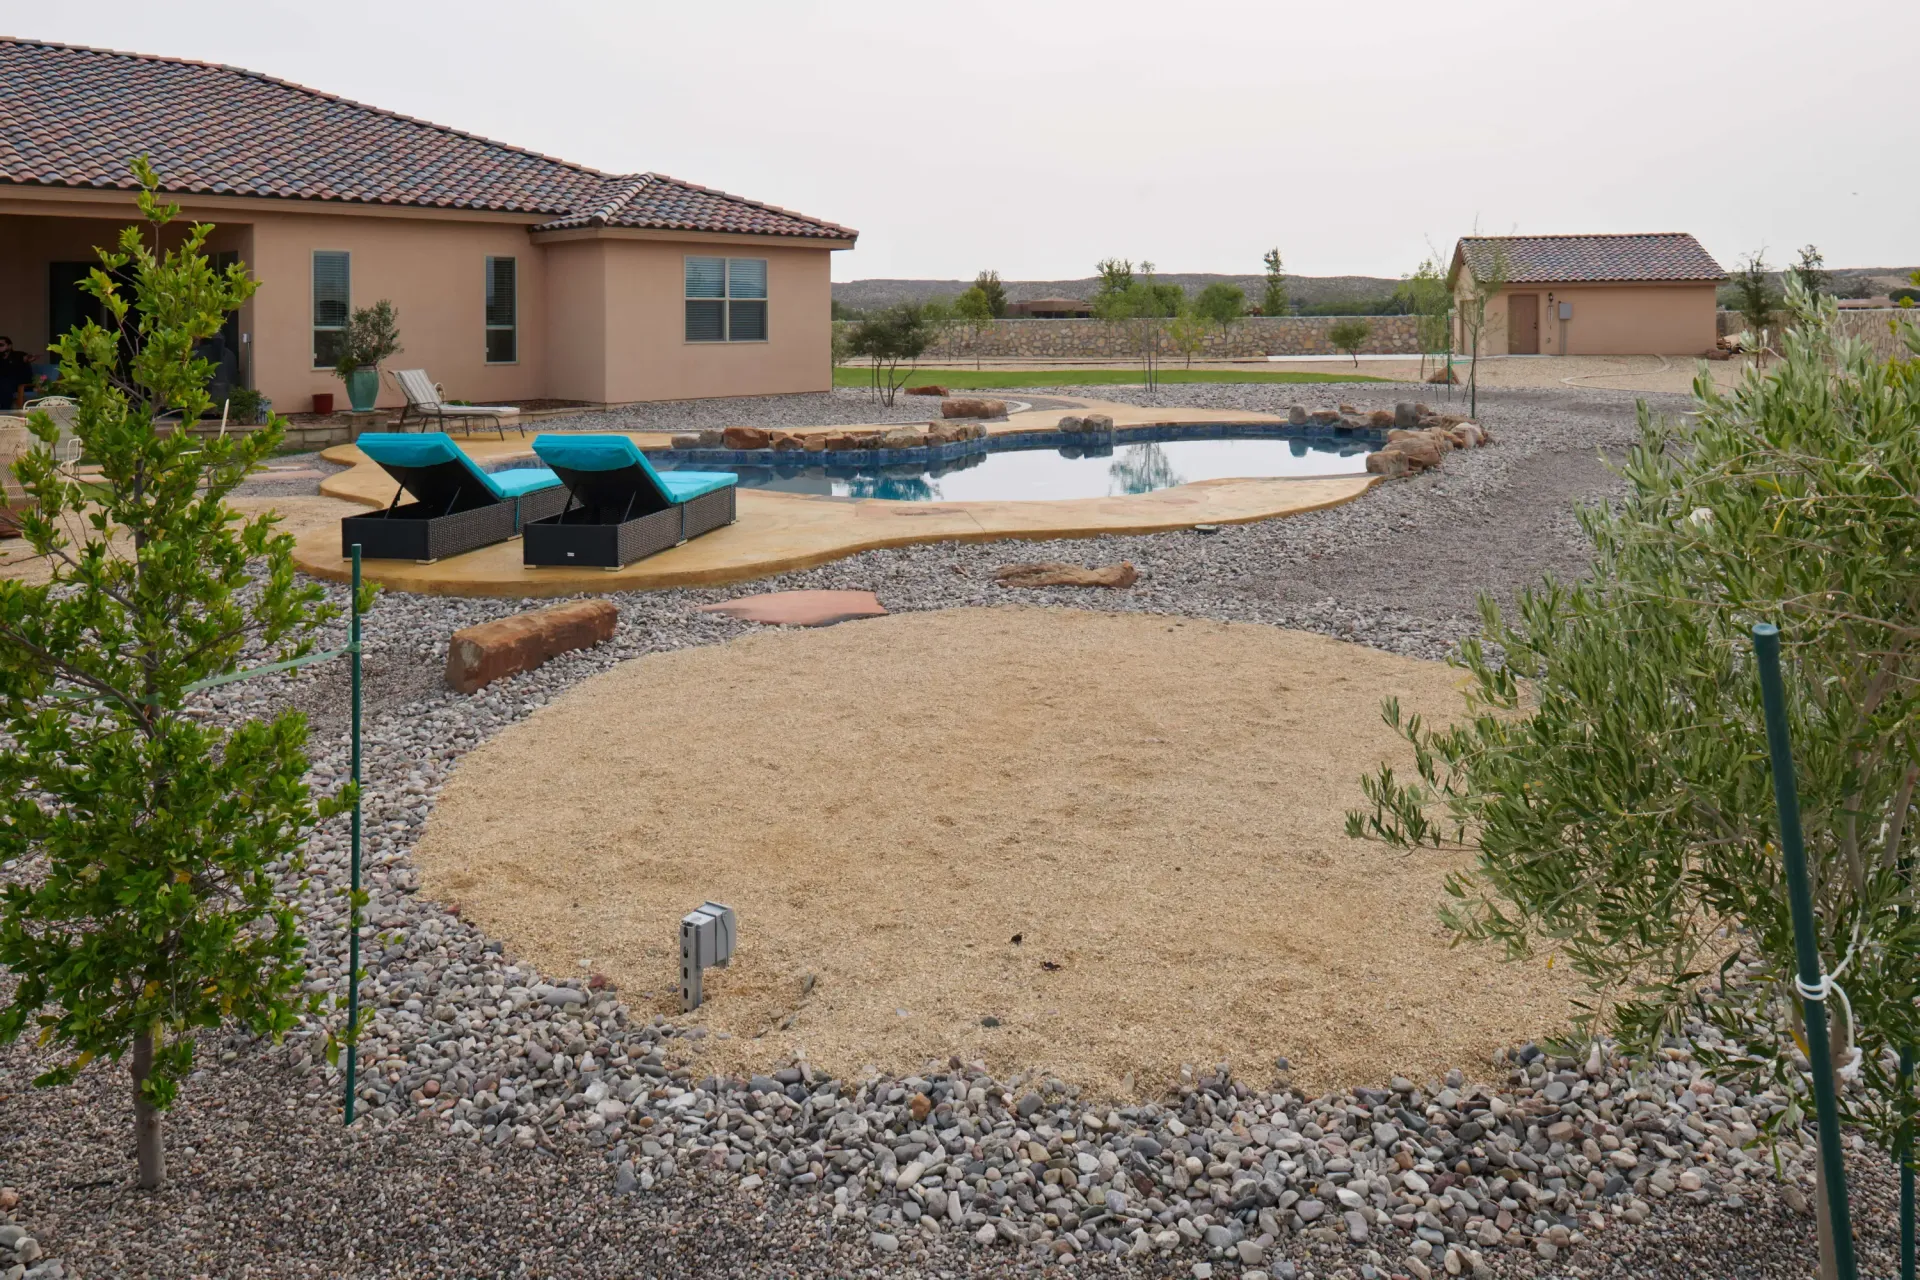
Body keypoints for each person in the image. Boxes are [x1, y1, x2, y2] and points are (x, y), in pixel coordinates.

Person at [0, 337, 34, 410]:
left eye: (1, 345)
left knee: (4, 383)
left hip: (21, 382)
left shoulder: (19, 355)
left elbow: (28, 358)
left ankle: (4, 410)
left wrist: (28, 358)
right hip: (6, 382)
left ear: (9, 346)